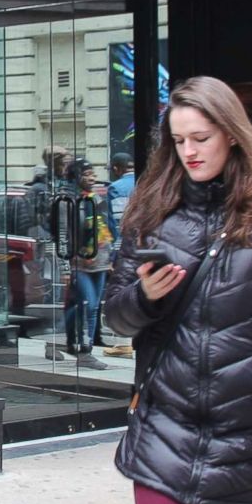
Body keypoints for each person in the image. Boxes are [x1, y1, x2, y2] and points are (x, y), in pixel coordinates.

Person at [103, 76, 252, 504]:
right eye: (178, 140)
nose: (188, 151)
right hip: (164, 431)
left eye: (200, 138)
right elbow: (115, 318)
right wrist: (144, 296)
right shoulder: (152, 210)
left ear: (231, 133)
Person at [55, 161, 111, 370]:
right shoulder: (66, 202)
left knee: (89, 306)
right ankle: (85, 353)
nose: (92, 178)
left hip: (100, 262)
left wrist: (111, 258)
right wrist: (65, 268)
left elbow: (106, 227)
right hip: (80, 263)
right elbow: (62, 235)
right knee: (89, 305)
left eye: (93, 174)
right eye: (87, 174)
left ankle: (56, 338)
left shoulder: (97, 198)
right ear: (76, 177)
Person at [103, 153, 137, 358]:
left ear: (117, 168)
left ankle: (124, 342)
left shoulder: (117, 188)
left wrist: (114, 255)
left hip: (126, 248)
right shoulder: (145, 181)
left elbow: (116, 224)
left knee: (122, 293)